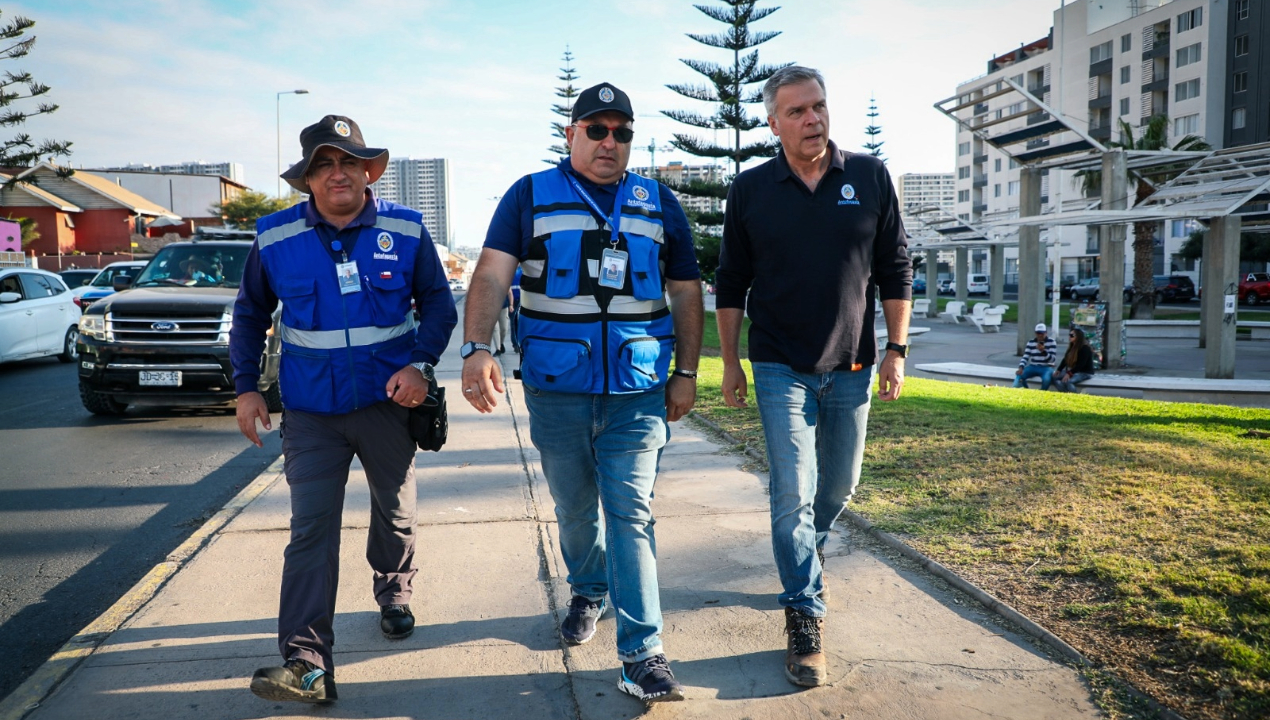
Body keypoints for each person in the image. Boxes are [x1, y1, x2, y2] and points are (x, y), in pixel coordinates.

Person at [461, 82, 702, 704]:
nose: (610, 142)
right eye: (596, 129)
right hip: (558, 390)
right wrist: (477, 347)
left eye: (622, 132)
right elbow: (490, 272)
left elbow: (686, 292)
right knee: (574, 512)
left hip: (637, 391)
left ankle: (642, 652)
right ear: (570, 135)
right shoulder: (529, 195)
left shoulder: (657, 201)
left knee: (633, 516)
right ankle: (588, 589)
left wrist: (688, 372)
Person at [229, 115, 457, 705]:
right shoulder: (275, 237)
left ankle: (394, 590)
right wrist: (246, 386)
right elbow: (251, 316)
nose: (337, 173)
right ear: (308, 179)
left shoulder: (406, 230)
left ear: (366, 171)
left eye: (348, 162)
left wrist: (421, 366)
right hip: (311, 415)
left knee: (395, 509)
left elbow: (437, 302)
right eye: (324, 164)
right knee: (310, 531)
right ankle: (306, 662)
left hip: (389, 405)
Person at [715, 65, 911, 689]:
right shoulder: (751, 190)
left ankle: (809, 552)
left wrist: (897, 350)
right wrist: (730, 362)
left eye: (819, 106)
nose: (813, 119)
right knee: (792, 493)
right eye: (797, 111)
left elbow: (895, 267)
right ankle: (804, 614)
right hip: (778, 366)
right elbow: (730, 283)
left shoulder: (870, 176)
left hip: (853, 366)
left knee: (839, 488)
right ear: (773, 123)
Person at [1015, 323, 1058, 390]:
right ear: (1035, 333)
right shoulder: (1031, 342)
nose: (1040, 335)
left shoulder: (1052, 342)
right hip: (1033, 366)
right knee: (1020, 376)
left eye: (1042, 333)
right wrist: (1021, 367)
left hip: (1046, 367)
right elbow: (1025, 356)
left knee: (1046, 379)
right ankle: (1027, 391)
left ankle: (1041, 394)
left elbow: (1052, 360)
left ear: (1046, 333)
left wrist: (1043, 351)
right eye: (1038, 333)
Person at [1052, 327, 1095, 392]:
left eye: (1072, 335)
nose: (1070, 337)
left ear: (1078, 337)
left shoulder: (1085, 348)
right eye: (1069, 335)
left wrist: (1069, 373)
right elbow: (1065, 359)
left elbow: (1081, 364)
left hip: (1085, 372)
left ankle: (1075, 397)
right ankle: (1065, 393)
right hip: (1075, 371)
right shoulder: (1072, 346)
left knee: (1068, 382)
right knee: (1053, 378)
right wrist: (1059, 369)